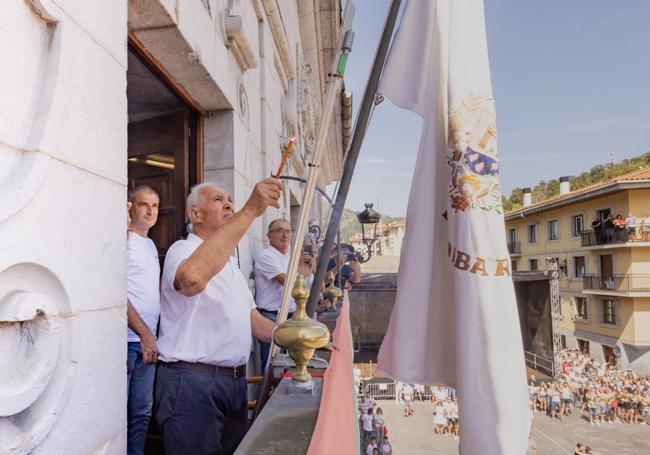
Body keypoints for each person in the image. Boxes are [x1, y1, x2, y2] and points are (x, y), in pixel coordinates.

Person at [155, 179, 282, 454]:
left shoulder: (231, 265)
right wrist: (248, 211)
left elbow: (255, 321)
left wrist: (297, 337)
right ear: (195, 214)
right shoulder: (182, 251)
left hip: (233, 384)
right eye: (217, 199)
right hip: (192, 385)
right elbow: (191, 280)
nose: (228, 204)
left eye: (230, 199)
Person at [126, 185, 161, 455]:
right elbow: (116, 292)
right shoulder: (123, 240)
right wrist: (145, 334)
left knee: (142, 412)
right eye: (143, 205)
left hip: (147, 344)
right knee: (117, 414)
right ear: (130, 207)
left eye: (155, 206)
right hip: (126, 342)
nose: (150, 211)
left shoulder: (149, 245)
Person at [254, 218, 296, 373]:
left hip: (289, 317)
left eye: (288, 231)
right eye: (279, 231)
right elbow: (288, 282)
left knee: (287, 368)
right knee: (271, 369)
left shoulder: (289, 256)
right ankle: (265, 397)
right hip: (271, 317)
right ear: (269, 235)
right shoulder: (267, 255)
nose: (284, 235)